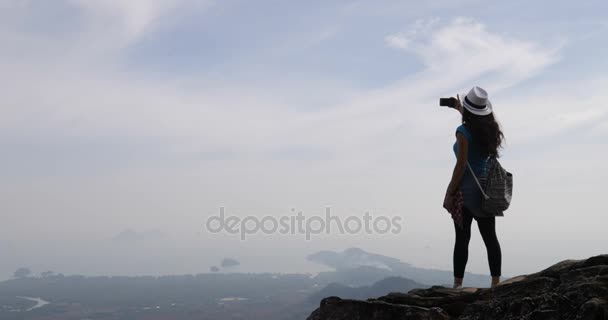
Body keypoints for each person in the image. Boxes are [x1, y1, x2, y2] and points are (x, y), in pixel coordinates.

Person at [442, 86, 504, 289]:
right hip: (485, 189)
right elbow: (473, 128)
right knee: (490, 238)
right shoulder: (489, 130)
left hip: (467, 191)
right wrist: (460, 109)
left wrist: (449, 193)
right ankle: (496, 284)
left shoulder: (462, 132)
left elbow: (461, 165)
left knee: (462, 239)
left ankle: (457, 287)